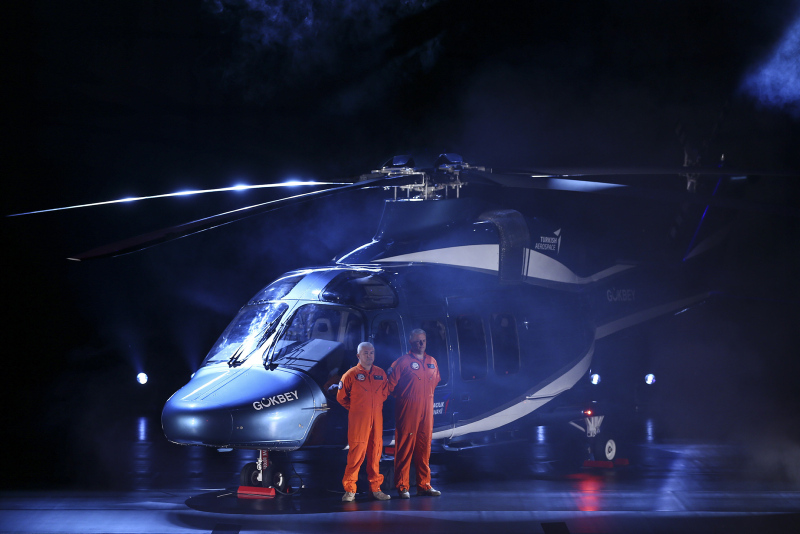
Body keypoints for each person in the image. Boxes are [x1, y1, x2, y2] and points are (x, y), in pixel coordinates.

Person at [387, 328, 442, 498]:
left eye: (423, 340)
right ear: (410, 342)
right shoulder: (402, 362)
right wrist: (405, 398)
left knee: (424, 447)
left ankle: (424, 485)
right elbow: (390, 386)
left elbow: (435, 381)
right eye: (418, 340)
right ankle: (402, 486)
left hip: (427, 408)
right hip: (408, 409)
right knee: (405, 447)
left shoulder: (432, 361)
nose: (421, 343)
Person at [336, 342, 391, 502]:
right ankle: (350, 490)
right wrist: (357, 409)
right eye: (365, 353)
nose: (369, 356)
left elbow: (384, 393)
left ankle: (376, 489)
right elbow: (341, 398)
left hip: (376, 421)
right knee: (356, 455)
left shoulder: (380, 373)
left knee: (375, 455)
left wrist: (373, 407)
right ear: (358, 356)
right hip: (359, 422)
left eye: (371, 352)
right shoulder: (350, 375)